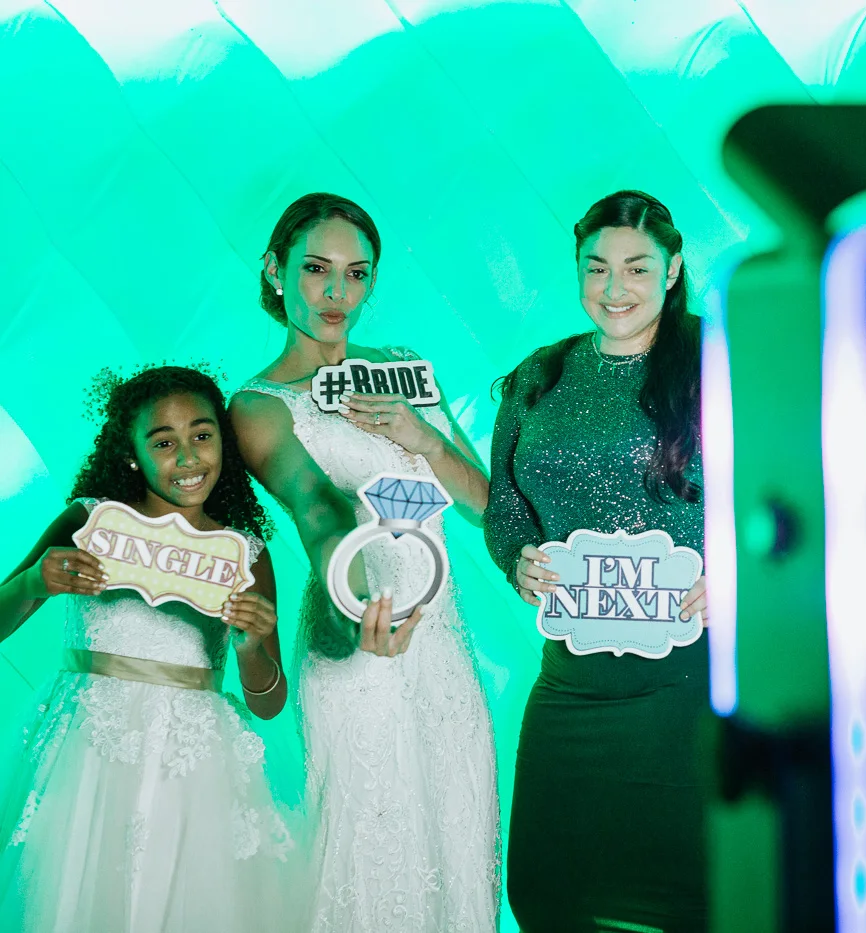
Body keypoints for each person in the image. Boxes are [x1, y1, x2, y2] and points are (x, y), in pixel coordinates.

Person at [229, 193, 498, 932]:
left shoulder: (403, 369)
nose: (336, 293)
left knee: (458, 847)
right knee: (375, 864)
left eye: (356, 274)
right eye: (316, 269)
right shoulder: (258, 405)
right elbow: (320, 510)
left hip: (442, 649)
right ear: (275, 270)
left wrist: (424, 437)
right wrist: (357, 615)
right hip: (355, 643)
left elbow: (483, 504)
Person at [0, 365, 294, 932]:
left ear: (224, 443)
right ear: (131, 454)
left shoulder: (245, 555)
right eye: (163, 443)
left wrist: (252, 648)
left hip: (193, 764)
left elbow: (269, 703)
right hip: (84, 748)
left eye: (202, 435)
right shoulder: (88, 522)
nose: (188, 457)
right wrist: (34, 582)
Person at [485, 190, 709, 932]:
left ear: (672, 269)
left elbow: (801, 485)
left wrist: (737, 573)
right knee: (547, 893)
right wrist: (516, 557)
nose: (615, 288)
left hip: (688, 686)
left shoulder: (724, 364)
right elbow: (506, 504)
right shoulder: (540, 376)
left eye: (637, 268)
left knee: (687, 898)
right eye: (597, 267)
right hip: (572, 688)